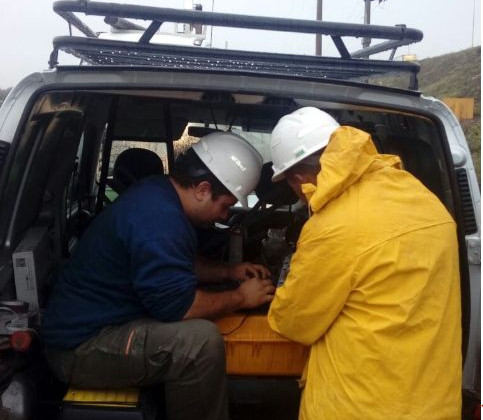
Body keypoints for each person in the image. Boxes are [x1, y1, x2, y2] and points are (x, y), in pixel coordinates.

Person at [42, 132, 275, 420]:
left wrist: (228, 271)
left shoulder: (160, 194)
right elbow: (180, 306)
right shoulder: (160, 220)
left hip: (107, 324)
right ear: (203, 189)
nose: (225, 216)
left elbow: (177, 265)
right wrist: (241, 296)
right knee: (199, 342)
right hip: (80, 349)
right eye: (225, 206)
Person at [267, 107, 462, 419]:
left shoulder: (332, 228)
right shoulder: (423, 198)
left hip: (358, 406)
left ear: (298, 179)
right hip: (435, 402)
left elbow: (293, 322)